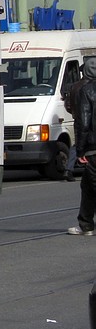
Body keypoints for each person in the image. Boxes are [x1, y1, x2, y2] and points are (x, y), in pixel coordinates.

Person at [68, 58, 96, 235]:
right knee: (87, 185)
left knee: (93, 183)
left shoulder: (86, 89)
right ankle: (86, 224)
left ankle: (86, 224)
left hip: (93, 147)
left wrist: (80, 150)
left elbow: (84, 122)